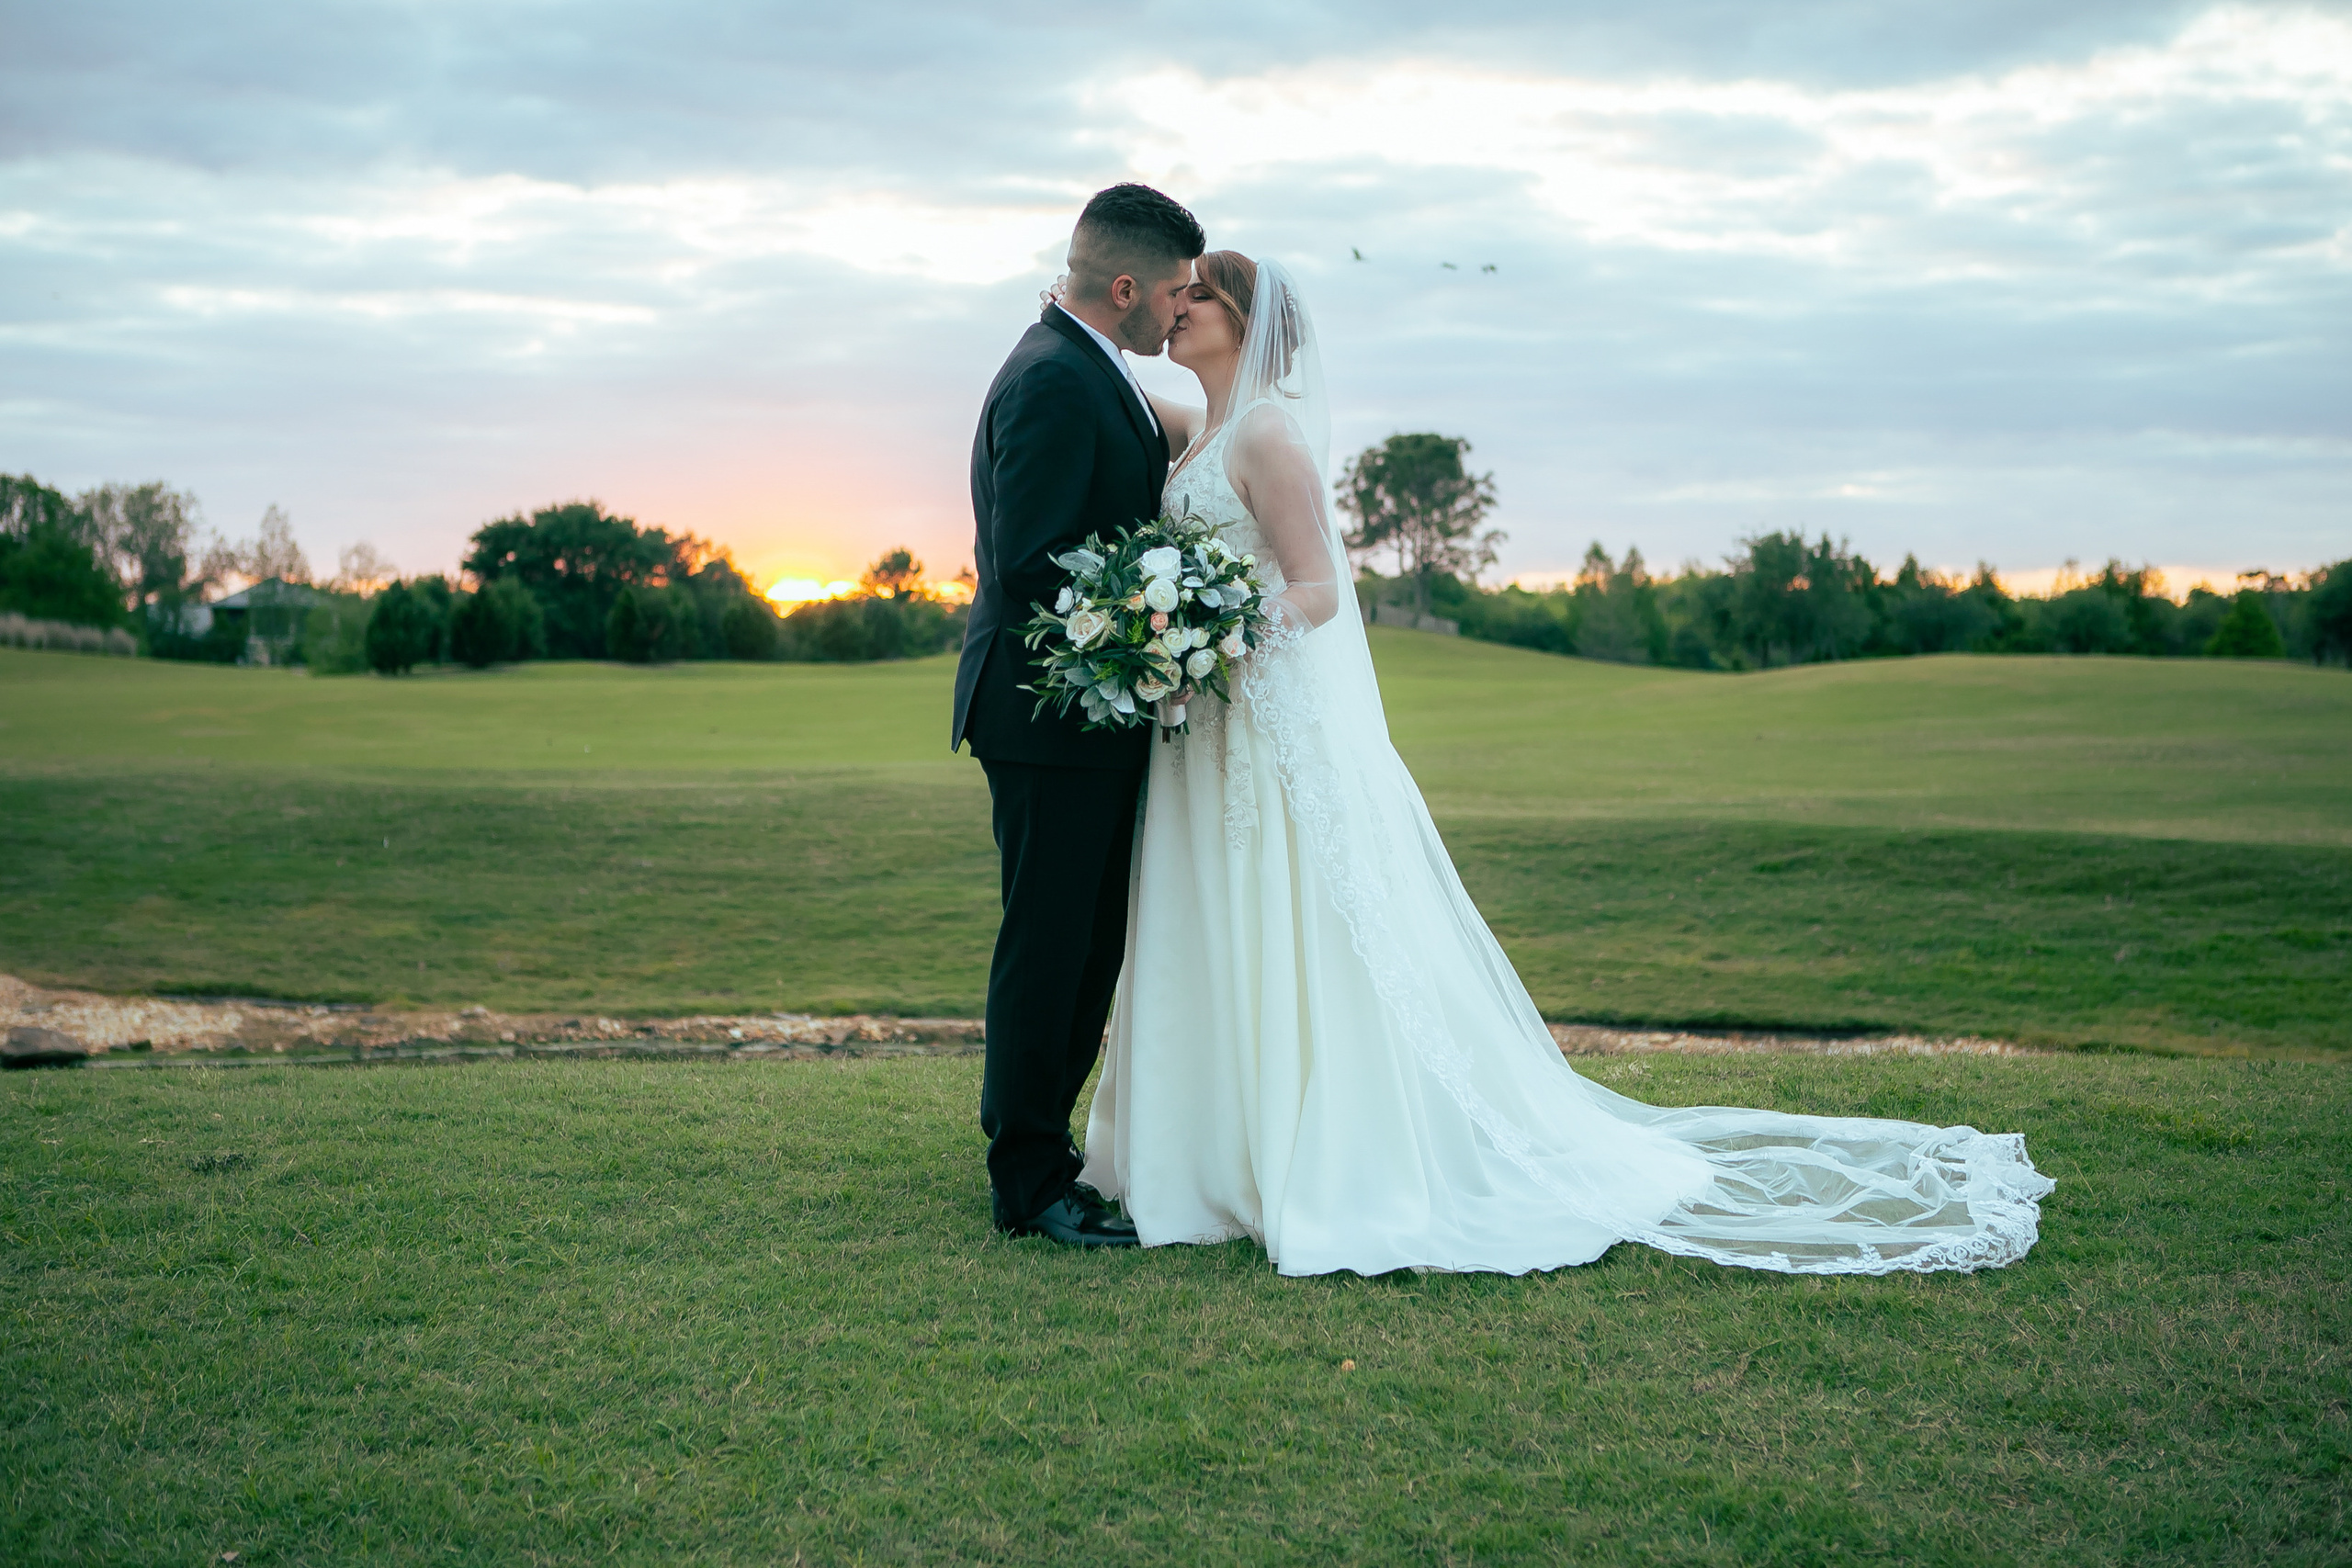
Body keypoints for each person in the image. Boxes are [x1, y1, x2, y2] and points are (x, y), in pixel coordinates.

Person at [1080, 252, 2059, 1277]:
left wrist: (1217, 631)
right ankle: (1207, 1151)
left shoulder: (1270, 433)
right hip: (1207, 729)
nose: (1176, 308)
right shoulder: (1200, 437)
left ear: (1248, 323)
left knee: (1288, 921)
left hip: (1261, 723)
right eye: (1176, 295)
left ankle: (1309, 1153)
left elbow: (1317, 589)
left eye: (1199, 298)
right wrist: (1077, 324)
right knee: (1218, 918)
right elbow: (1118, 389)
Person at [952, 183, 1203, 1247]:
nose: (1181, 310)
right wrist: (1161, 629)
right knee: (1051, 947)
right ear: (1126, 286)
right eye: (1176, 292)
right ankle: (1028, 1182)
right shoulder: (1054, 378)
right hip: (1046, 718)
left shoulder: (1090, 367)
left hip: (1084, 719)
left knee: (1084, 943)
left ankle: (1044, 1153)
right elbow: (1032, 560)